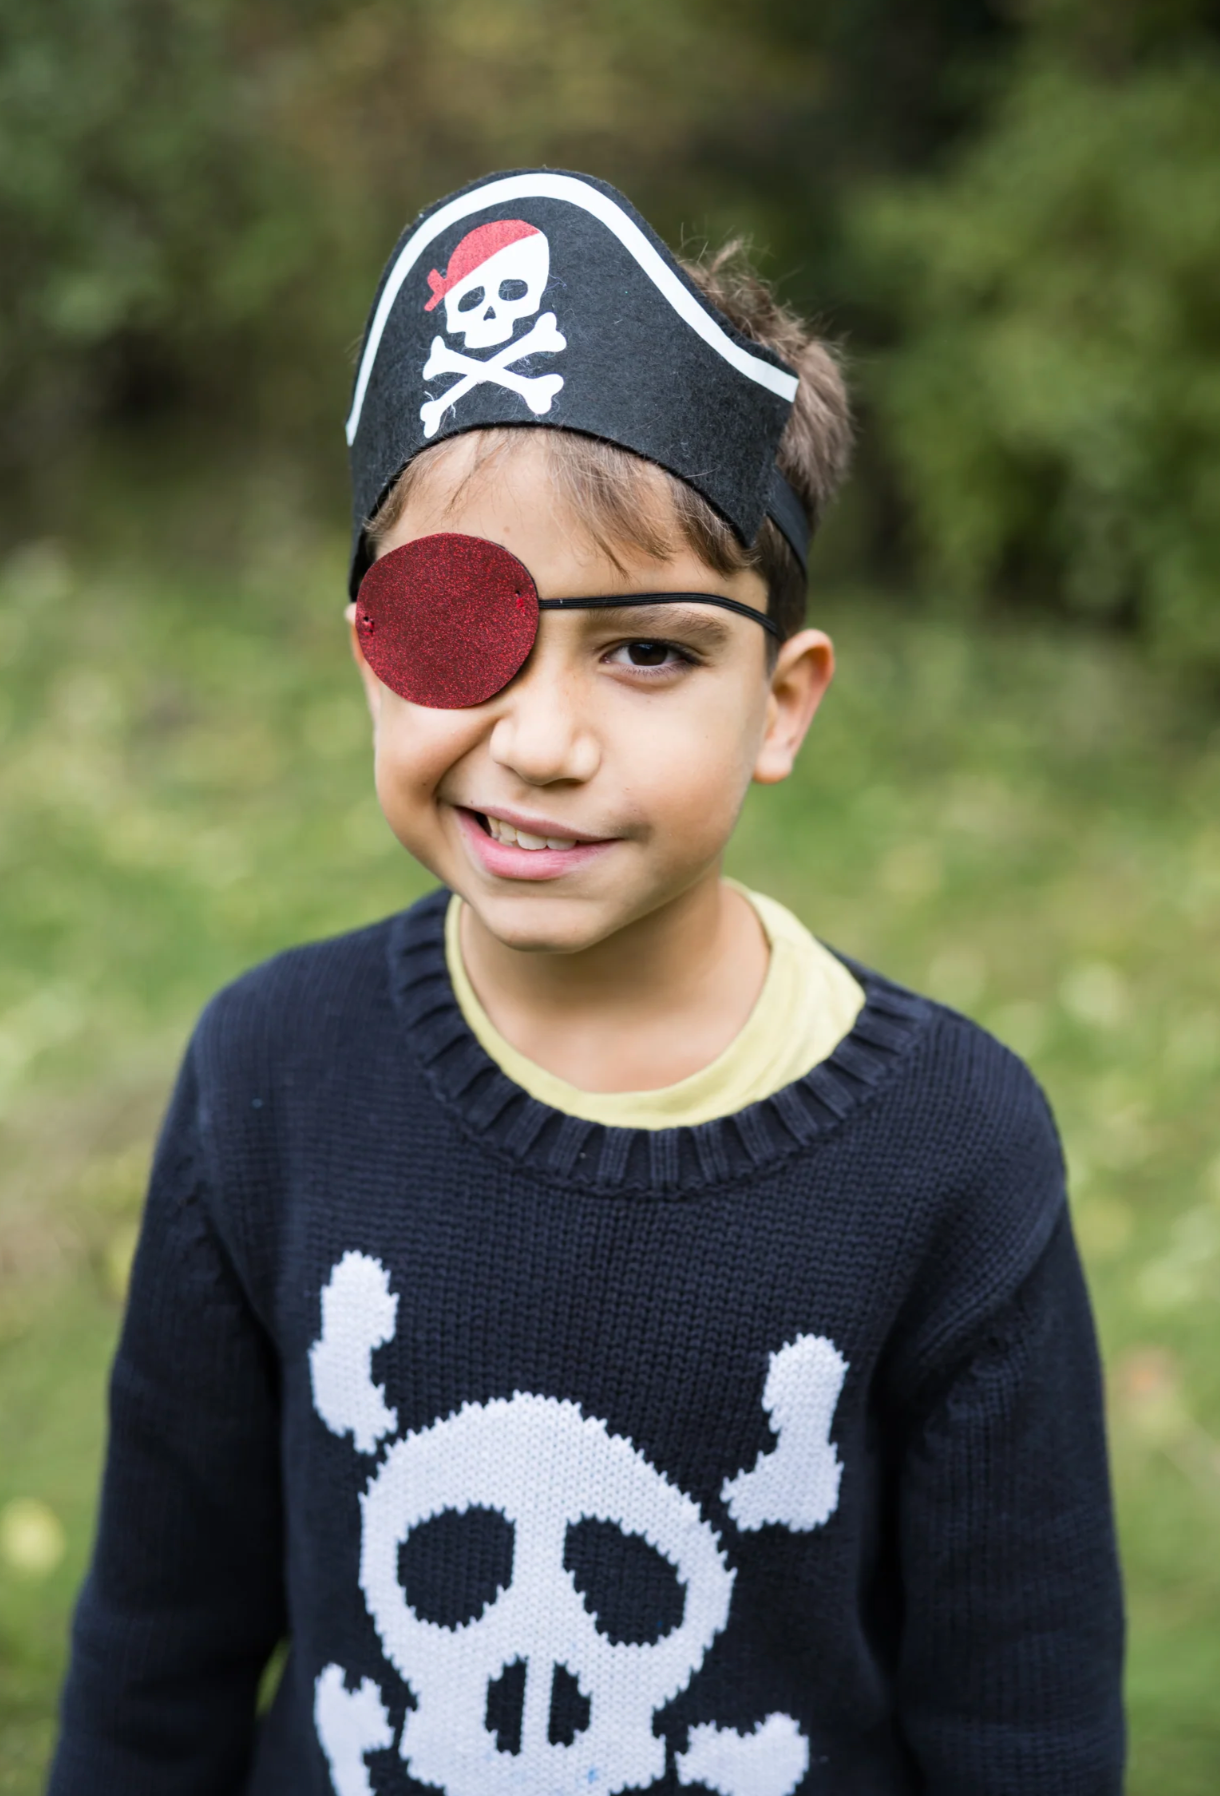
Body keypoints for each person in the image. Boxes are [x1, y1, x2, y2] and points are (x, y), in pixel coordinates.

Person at [49, 170, 1124, 1796]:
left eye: (648, 652)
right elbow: (157, 1649)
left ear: (782, 700)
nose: (540, 743)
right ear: (365, 653)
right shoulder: (268, 1071)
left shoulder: (955, 1155)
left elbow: (1021, 1724)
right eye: (454, 629)